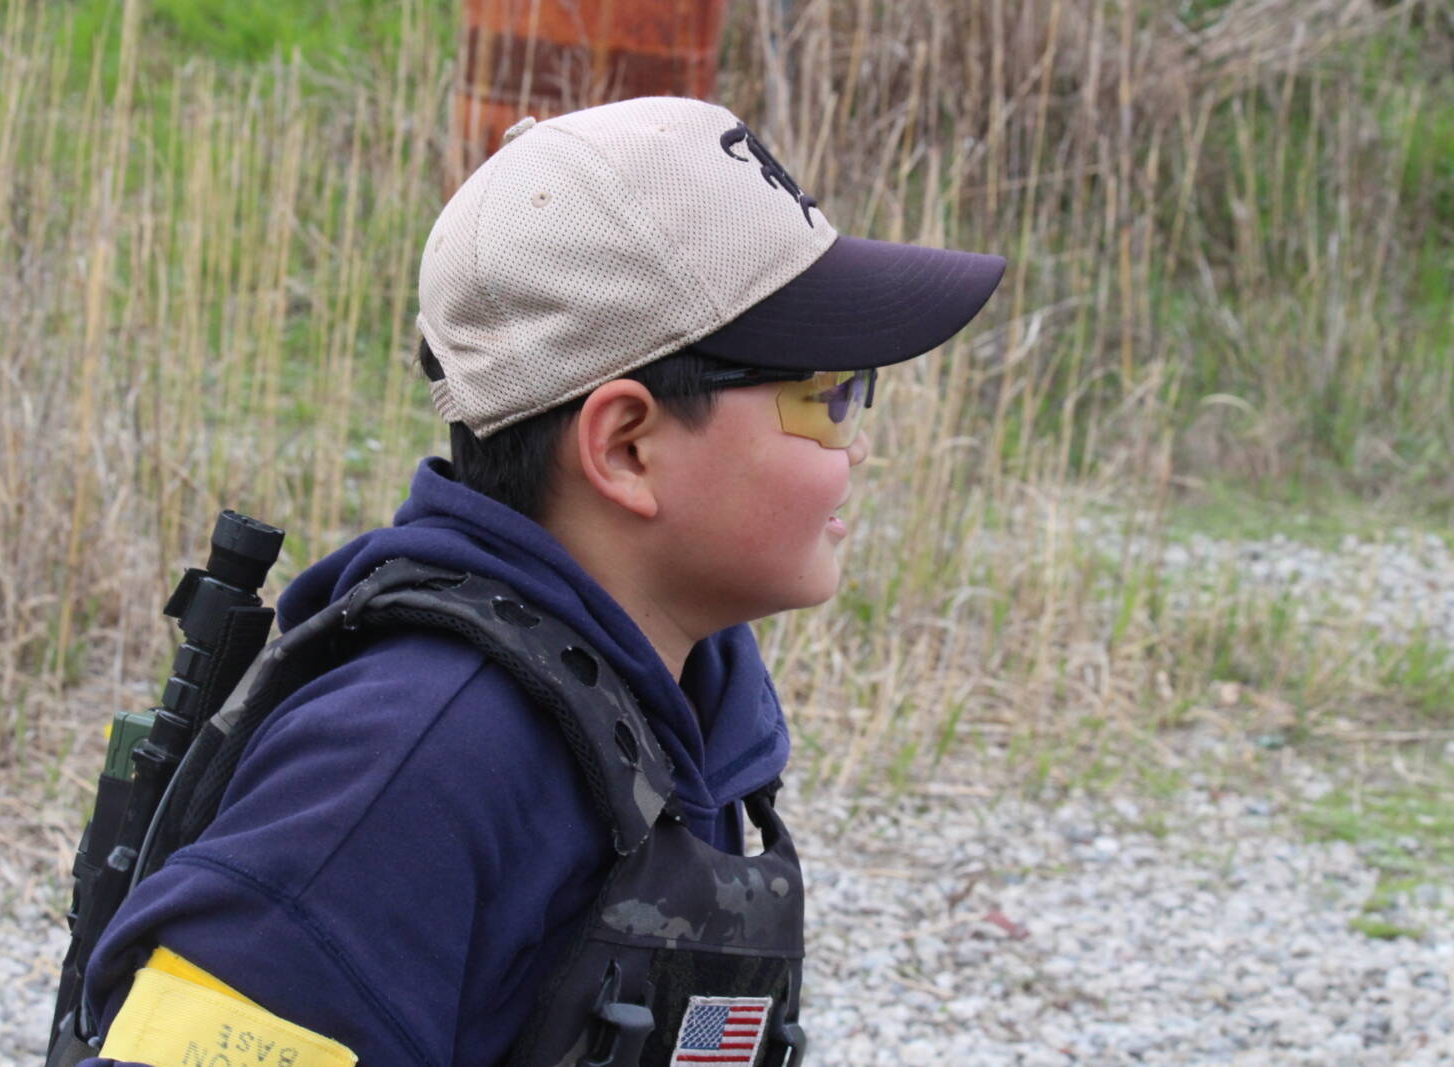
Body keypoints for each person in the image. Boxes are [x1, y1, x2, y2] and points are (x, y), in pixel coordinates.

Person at [72, 95, 1004, 1066]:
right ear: (627, 446)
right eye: (829, 397)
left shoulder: (676, 702)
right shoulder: (409, 765)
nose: (859, 445)